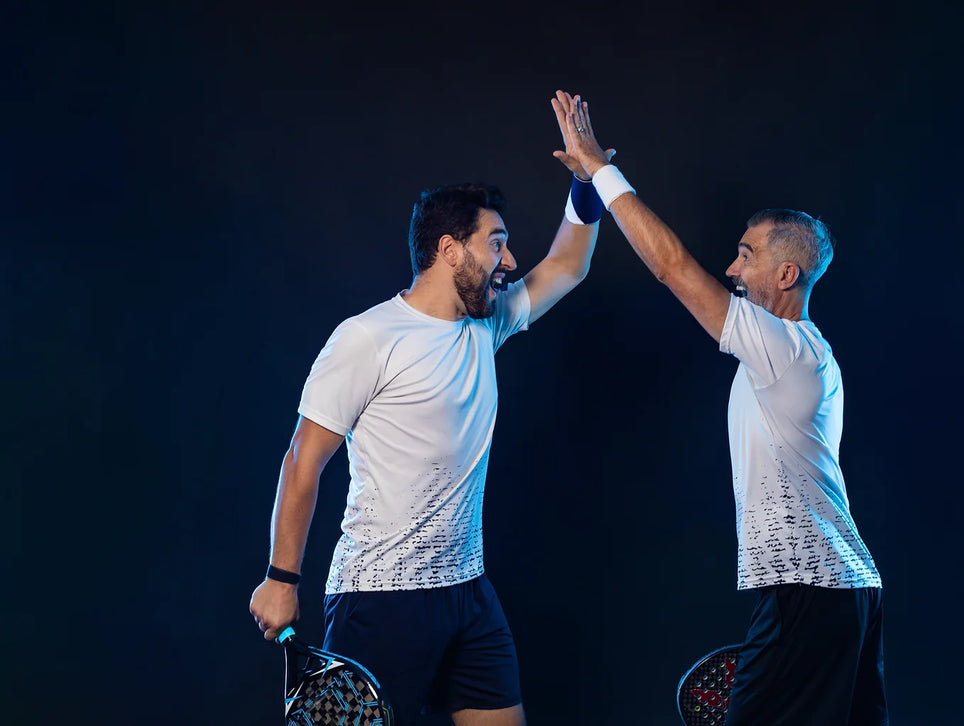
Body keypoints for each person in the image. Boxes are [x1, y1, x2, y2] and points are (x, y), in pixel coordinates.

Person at [248, 90, 613, 726]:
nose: (510, 260)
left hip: (468, 592)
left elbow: (569, 264)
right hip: (379, 599)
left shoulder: (487, 324)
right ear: (450, 251)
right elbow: (303, 463)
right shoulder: (366, 338)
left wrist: (586, 182)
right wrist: (282, 577)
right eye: (496, 243)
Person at [557, 101, 888, 724]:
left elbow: (670, 267)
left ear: (786, 272)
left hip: (809, 594)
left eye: (745, 255)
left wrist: (600, 169)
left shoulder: (783, 348)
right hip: (843, 589)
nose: (731, 268)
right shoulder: (799, 352)